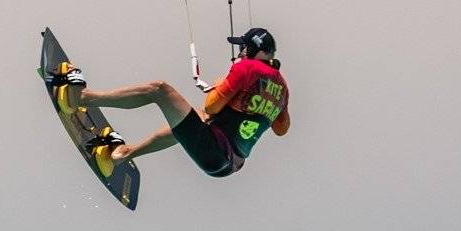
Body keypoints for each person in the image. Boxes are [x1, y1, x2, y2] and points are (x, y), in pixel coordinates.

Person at [53, 27, 291, 180]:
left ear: (248, 49)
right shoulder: (282, 88)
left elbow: (212, 106)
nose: (239, 53)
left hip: (216, 150)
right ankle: (122, 155)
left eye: (241, 48)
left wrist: (223, 87)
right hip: (228, 165)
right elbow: (281, 129)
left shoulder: (246, 67)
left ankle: (82, 98)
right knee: (194, 120)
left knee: (159, 90)